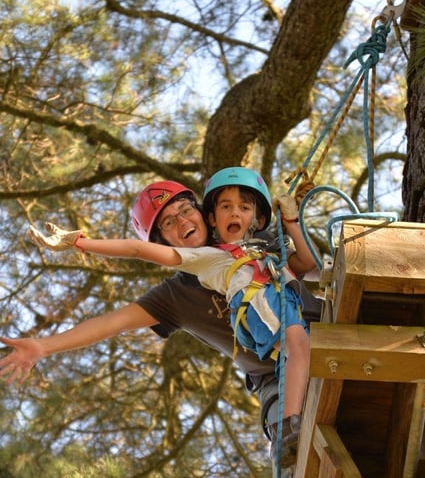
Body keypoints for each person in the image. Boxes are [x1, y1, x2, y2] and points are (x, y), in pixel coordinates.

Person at [25, 167, 318, 443]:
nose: (183, 222)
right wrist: (45, 346)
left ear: (204, 214)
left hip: (322, 330)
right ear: (162, 243)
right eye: (168, 222)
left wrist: (294, 222)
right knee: (290, 445)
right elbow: (111, 322)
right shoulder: (174, 296)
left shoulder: (251, 240)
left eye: (186, 210)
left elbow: (314, 267)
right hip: (274, 376)